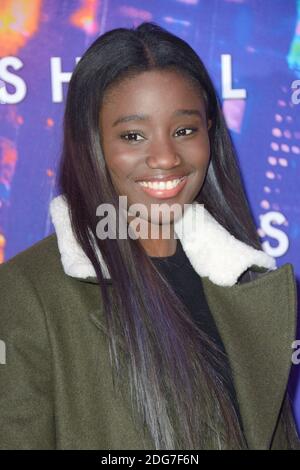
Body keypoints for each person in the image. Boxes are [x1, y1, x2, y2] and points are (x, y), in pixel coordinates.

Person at [0, 22, 299, 450]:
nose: (165, 157)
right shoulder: (26, 294)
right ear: (92, 143)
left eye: (184, 131)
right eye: (133, 136)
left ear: (210, 132)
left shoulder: (242, 279)